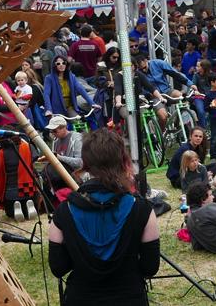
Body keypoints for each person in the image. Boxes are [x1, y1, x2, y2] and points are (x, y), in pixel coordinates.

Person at [47, 129, 160, 304]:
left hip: (81, 298)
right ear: (123, 160)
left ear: (85, 162)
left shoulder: (64, 211)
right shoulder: (142, 209)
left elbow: (58, 268)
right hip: (129, 298)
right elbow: (150, 267)